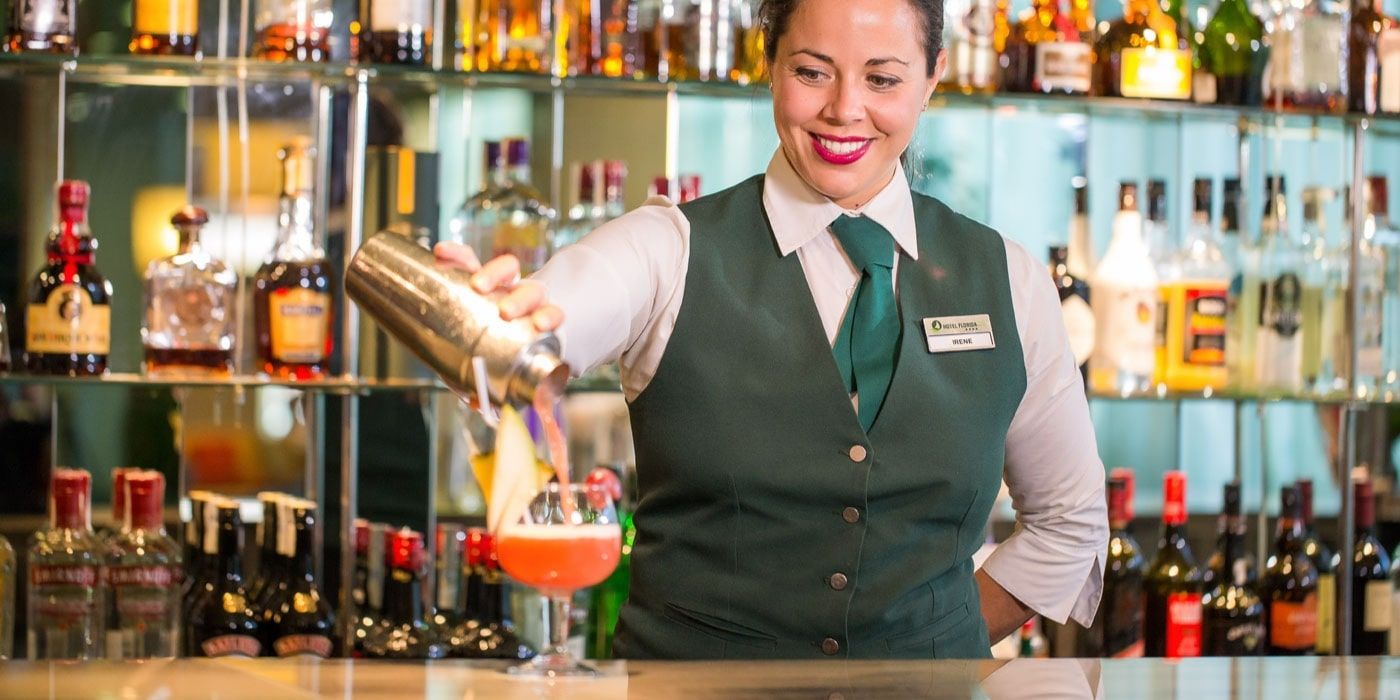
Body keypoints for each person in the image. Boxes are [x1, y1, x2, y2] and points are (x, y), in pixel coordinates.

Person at [436, 0, 1107, 659]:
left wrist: (934, 645)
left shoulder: (1008, 279)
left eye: (883, 79)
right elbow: (555, 314)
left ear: (933, 76)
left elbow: (1070, 527)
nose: (844, 110)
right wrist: (495, 322)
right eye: (812, 72)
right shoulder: (668, 250)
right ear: (769, 64)